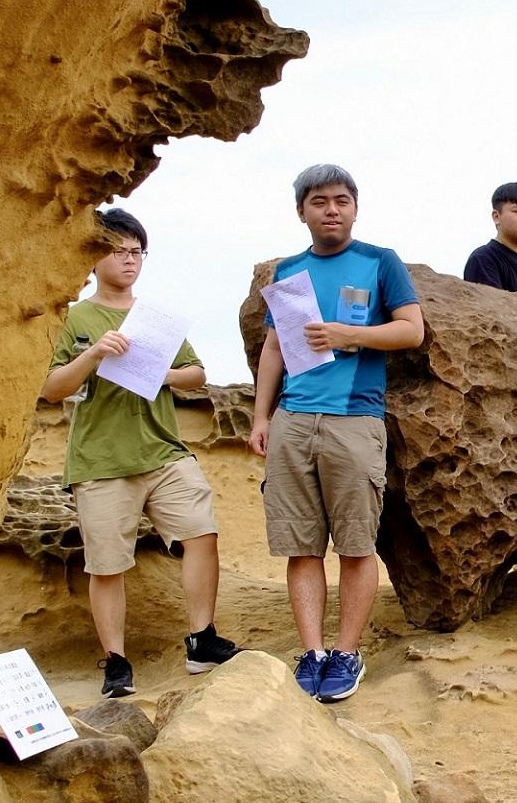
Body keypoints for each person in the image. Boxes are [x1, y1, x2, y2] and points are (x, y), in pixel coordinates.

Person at [41, 209, 238, 698]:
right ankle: (116, 662)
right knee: (107, 564)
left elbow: (196, 373)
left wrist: (158, 373)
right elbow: (50, 388)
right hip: (101, 461)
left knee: (201, 533)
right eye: (118, 251)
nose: (129, 261)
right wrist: (94, 354)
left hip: (164, 451)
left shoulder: (155, 318)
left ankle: (201, 640)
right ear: (94, 257)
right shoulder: (74, 318)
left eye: (137, 252)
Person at [248, 165, 425, 703]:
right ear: (301, 210)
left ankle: (347, 652)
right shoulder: (288, 270)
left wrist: (352, 333)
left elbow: (412, 330)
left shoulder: (380, 262)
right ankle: (312, 653)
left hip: (356, 420)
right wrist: (261, 418)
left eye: (342, 200)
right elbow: (274, 349)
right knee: (301, 547)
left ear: (356, 206)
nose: (332, 209)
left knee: (354, 544)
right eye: (320, 201)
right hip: (294, 421)